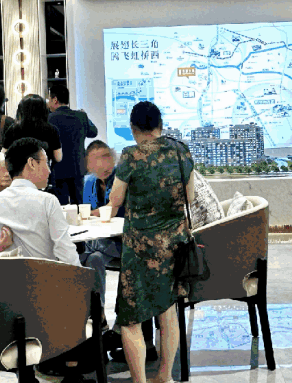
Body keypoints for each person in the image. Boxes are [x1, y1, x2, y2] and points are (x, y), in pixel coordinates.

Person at [0, 138, 107, 308]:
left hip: (3, 300)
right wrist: (81, 292)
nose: (49, 170)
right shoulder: (48, 201)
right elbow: (66, 254)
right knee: (95, 260)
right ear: (32, 163)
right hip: (47, 298)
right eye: (46, 163)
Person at [108, 101, 195, 383]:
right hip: (175, 245)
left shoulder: (131, 156)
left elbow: (115, 200)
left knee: (130, 318)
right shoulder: (181, 150)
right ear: (160, 125)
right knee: (168, 312)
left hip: (140, 249)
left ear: (134, 129)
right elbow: (190, 196)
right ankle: (165, 377)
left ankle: (140, 382)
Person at [80, 140, 158, 362]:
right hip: (106, 242)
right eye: (96, 159)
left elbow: (114, 211)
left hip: (129, 242)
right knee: (91, 258)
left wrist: (93, 214)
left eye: (106, 157)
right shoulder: (89, 183)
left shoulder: (124, 179)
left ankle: (129, 335)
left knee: (129, 265)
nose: (103, 164)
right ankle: (99, 319)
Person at [47, 85, 98, 206]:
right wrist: (86, 116)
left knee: (61, 206)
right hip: (78, 169)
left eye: (49, 99)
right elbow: (94, 132)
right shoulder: (81, 116)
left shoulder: (50, 118)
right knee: (79, 206)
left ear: (55, 100)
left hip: (59, 169)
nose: (48, 103)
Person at [2, 94, 63, 164]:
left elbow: (3, 156)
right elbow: (58, 158)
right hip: (42, 169)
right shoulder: (52, 130)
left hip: (19, 169)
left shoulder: (12, 130)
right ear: (44, 110)